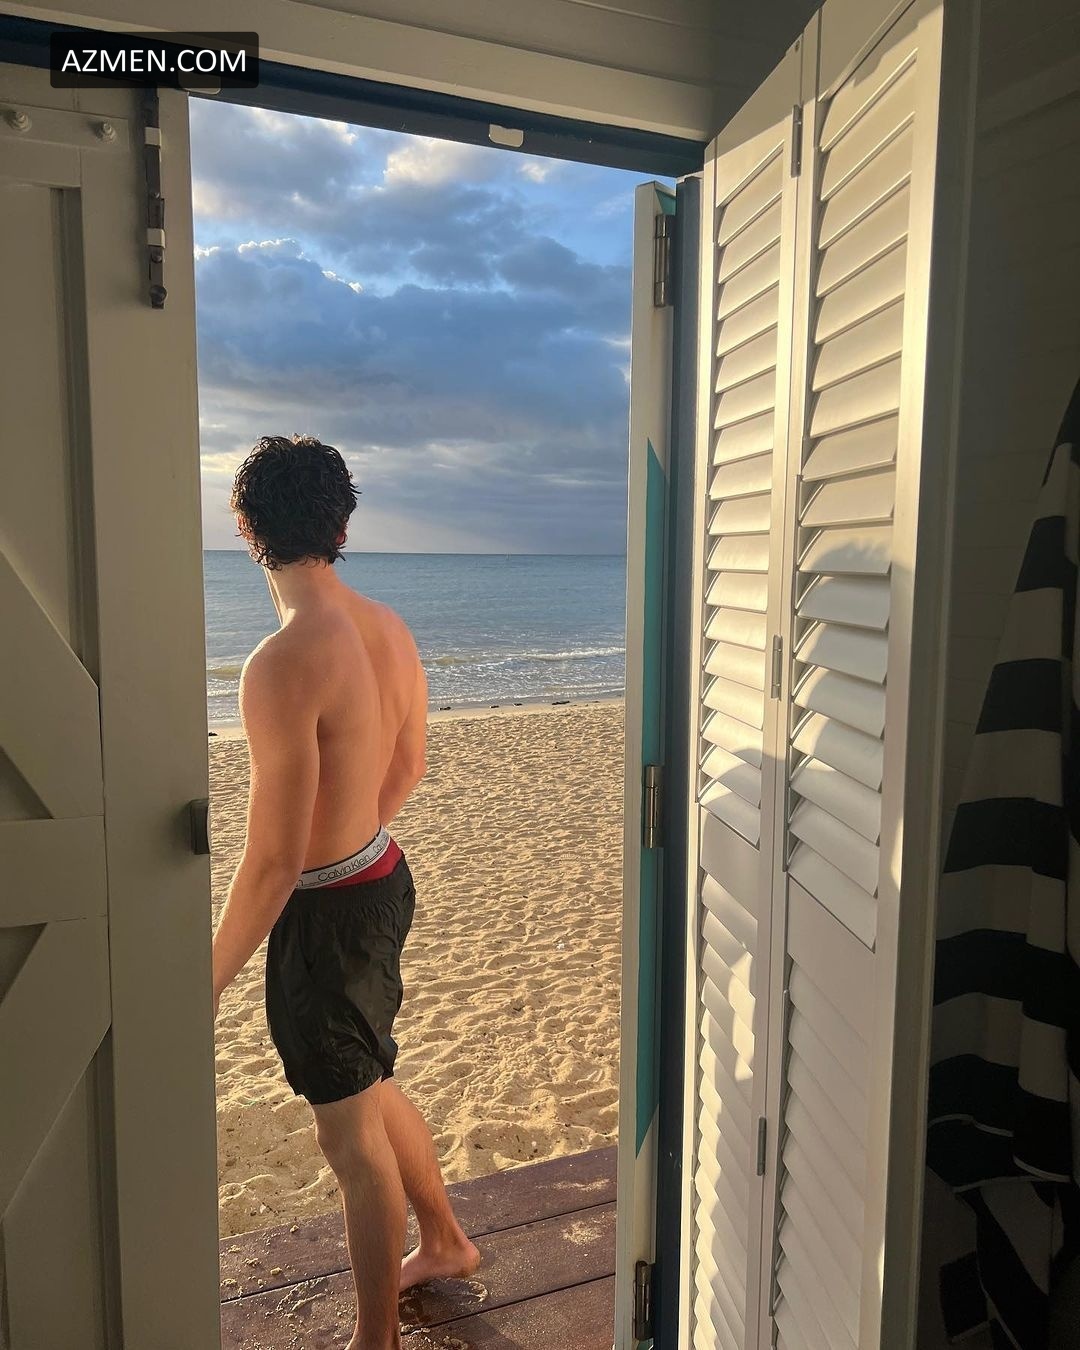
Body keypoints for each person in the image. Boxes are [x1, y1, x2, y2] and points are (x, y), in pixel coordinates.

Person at [211, 434, 479, 1350]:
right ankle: (444, 1241)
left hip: (329, 912)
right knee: (370, 1079)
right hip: (384, 877)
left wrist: (205, 978)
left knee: (350, 1145)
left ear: (244, 525)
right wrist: (356, 831)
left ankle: (375, 1340)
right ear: (343, 525)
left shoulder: (282, 662)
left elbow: (273, 861)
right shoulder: (386, 627)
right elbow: (410, 764)